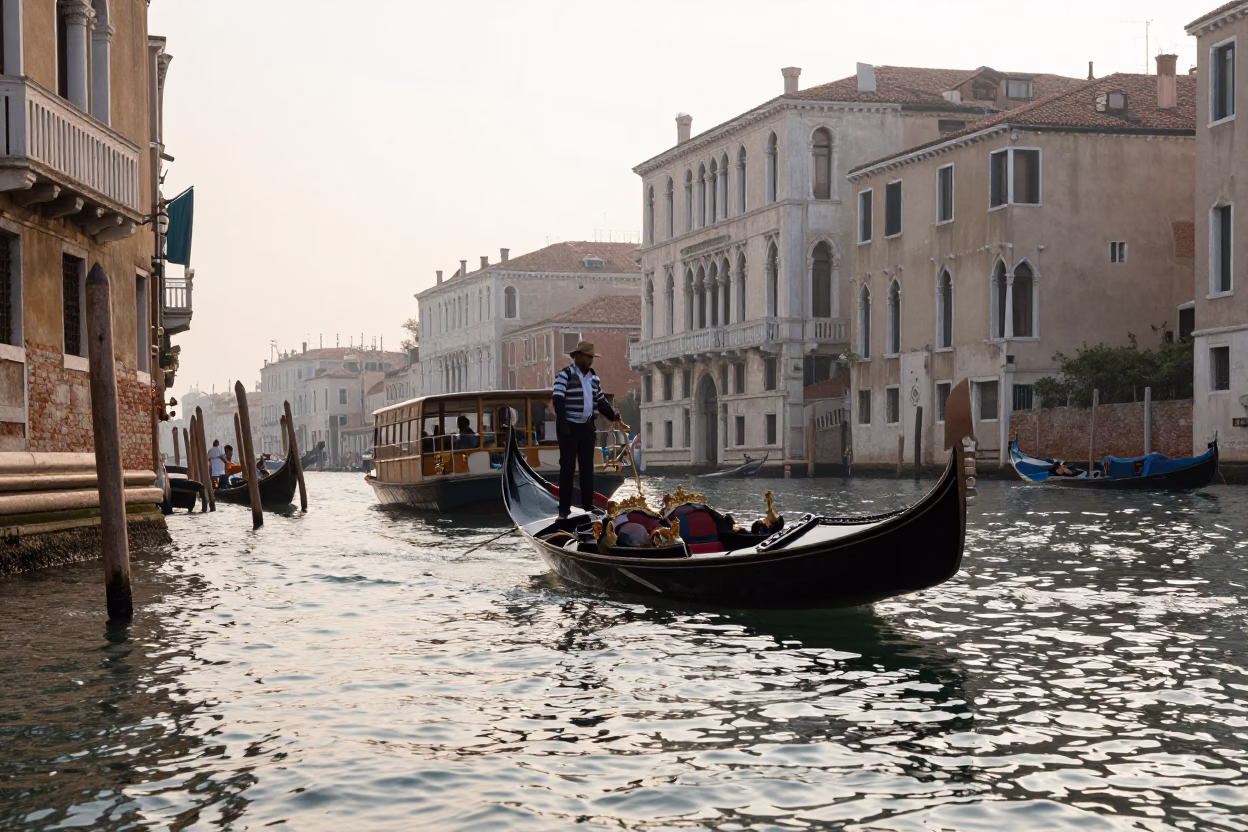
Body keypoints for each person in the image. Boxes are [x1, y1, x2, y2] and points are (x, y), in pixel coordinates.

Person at [552, 340, 621, 519]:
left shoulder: (594, 379)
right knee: (567, 469)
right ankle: (563, 510)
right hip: (568, 427)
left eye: (592, 357)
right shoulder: (565, 374)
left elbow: (601, 402)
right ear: (578, 356)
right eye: (587, 356)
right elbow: (558, 400)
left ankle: (587, 506)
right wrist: (563, 423)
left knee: (586, 469)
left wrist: (613, 415)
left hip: (586, 428)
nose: (590, 360)